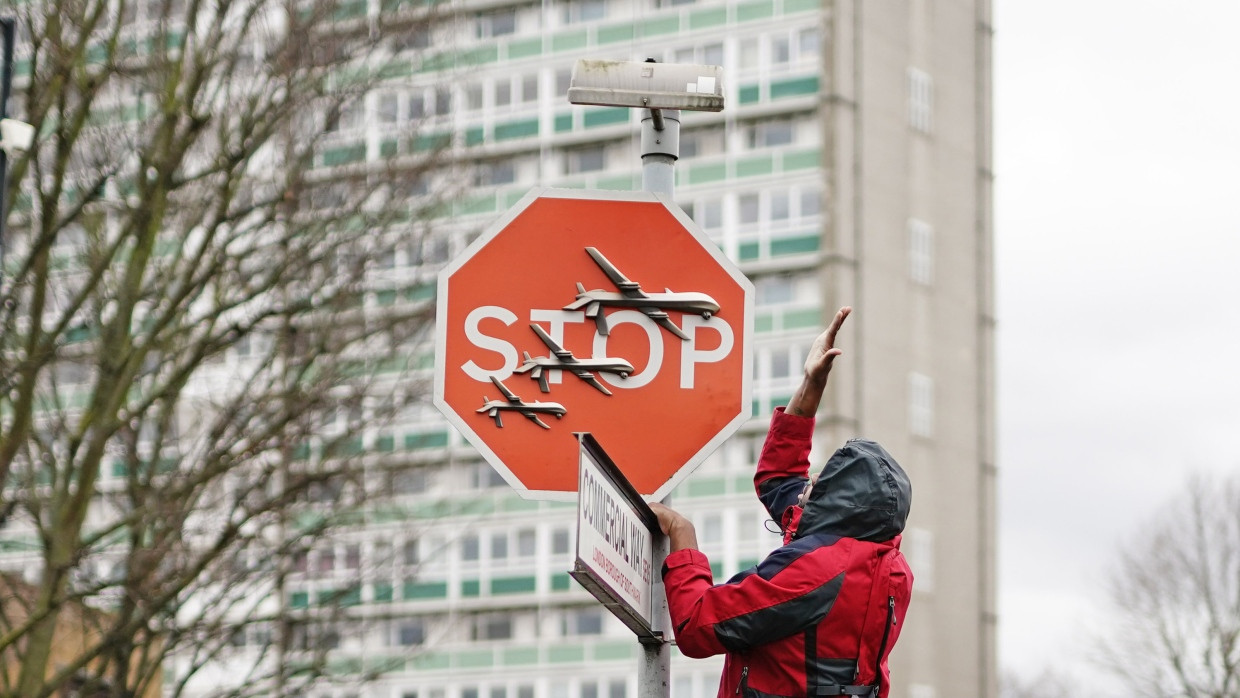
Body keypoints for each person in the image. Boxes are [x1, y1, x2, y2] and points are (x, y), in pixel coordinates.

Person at [649, 306, 913, 698]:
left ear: (838, 505)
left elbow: (698, 626)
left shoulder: (816, 570)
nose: (807, 483)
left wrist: (681, 533)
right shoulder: (881, 562)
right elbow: (778, 479)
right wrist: (810, 386)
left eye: (819, 482)